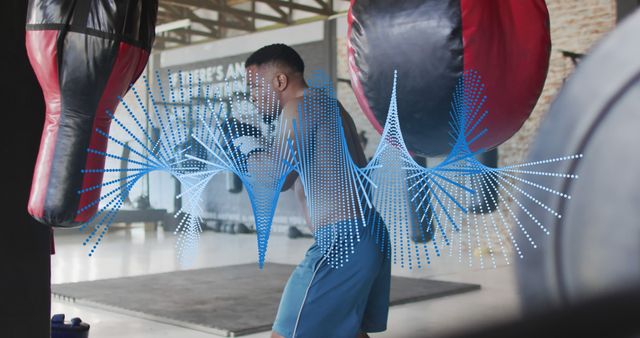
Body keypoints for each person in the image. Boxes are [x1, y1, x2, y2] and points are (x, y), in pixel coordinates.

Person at [244, 44, 391, 338]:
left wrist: (244, 147)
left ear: (280, 81)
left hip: (343, 240)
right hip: (369, 233)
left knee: (285, 334)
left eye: (255, 87)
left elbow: (276, 180)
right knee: (350, 332)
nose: (252, 97)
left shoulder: (299, 107)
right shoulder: (329, 107)